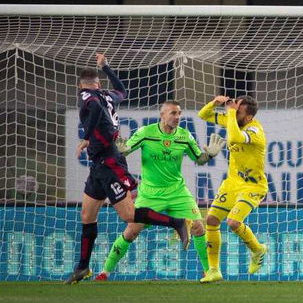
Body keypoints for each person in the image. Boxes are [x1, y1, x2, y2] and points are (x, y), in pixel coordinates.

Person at [65, 53, 190, 284]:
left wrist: (88, 137)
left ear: (80, 85)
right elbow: (123, 91)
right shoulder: (107, 95)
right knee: (87, 215)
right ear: (99, 83)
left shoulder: (87, 97)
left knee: (128, 215)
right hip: (99, 164)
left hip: (109, 162)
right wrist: (107, 67)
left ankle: (177, 222)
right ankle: (82, 267)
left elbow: (95, 111)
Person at [95, 101, 225, 280]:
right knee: (132, 230)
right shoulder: (146, 133)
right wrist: (121, 151)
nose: (177, 117)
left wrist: (209, 154)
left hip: (177, 191)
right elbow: (125, 150)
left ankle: (209, 271)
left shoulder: (185, 136)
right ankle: (105, 271)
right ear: (162, 115)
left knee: (198, 227)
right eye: (173, 113)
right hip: (150, 194)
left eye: (179, 113)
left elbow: (199, 159)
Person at [198, 95, 268, 283]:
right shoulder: (233, 119)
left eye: (238, 111)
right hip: (232, 183)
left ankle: (258, 249)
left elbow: (236, 136)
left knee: (233, 222)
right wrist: (215, 103)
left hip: (253, 185)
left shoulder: (255, 129)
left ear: (247, 117)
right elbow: (203, 114)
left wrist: (229, 113)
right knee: (211, 219)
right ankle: (214, 271)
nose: (233, 111)